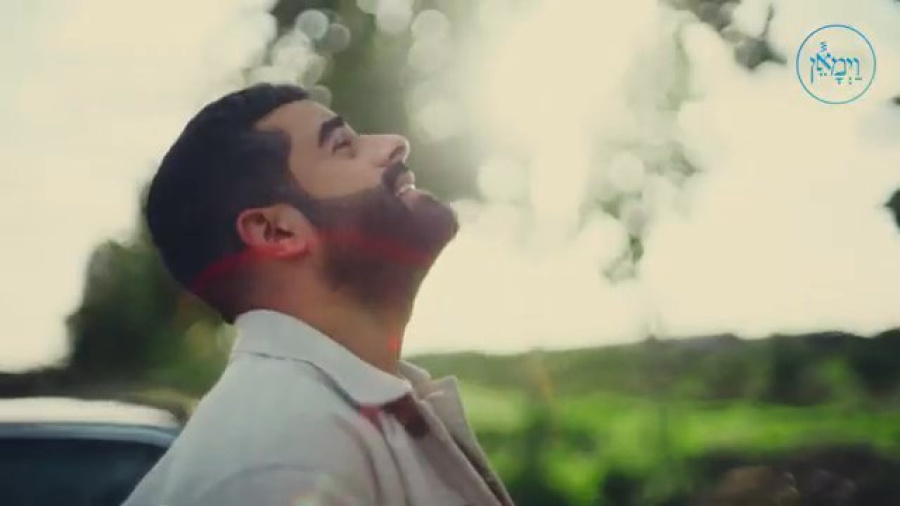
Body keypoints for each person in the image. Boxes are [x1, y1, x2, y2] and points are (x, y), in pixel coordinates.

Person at [123, 84, 514, 506]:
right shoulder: (282, 459)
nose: (394, 143)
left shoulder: (333, 420)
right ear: (278, 232)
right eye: (343, 146)